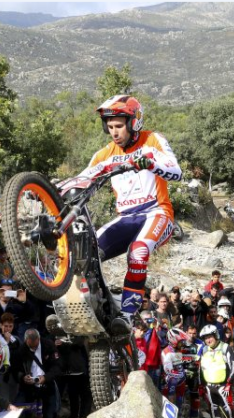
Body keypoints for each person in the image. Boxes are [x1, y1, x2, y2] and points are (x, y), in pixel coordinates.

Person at [77, 95, 181, 318]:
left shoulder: (152, 140)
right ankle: (93, 303)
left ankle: (128, 317)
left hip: (158, 212)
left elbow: (176, 172)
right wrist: (51, 191)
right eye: (110, 127)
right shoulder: (104, 154)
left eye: (119, 126)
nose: (114, 132)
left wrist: (151, 163)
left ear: (134, 123)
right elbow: (81, 181)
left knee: (138, 252)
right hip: (125, 218)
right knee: (85, 251)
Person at [16, 329, 60, 418]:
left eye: (35, 346)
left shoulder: (48, 345)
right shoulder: (21, 350)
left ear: (39, 339)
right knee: (26, 413)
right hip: (29, 387)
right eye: (31, 346)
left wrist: (45, 377)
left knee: (50, 413)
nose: (33, 348)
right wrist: (23, 377)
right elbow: (15, 369)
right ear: (26, 341)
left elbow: (57, 367)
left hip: (47, 384)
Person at [196, 324, 234, 418]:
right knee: (213, 408)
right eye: (206, 338)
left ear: (216, 335)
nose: (208, 340)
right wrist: (201, 385)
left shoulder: (225, 348)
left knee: (227, 408)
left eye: (210, 337)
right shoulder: (204, 349)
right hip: (209, 387)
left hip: (223, 386)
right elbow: (200, 369)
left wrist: (229, 384)